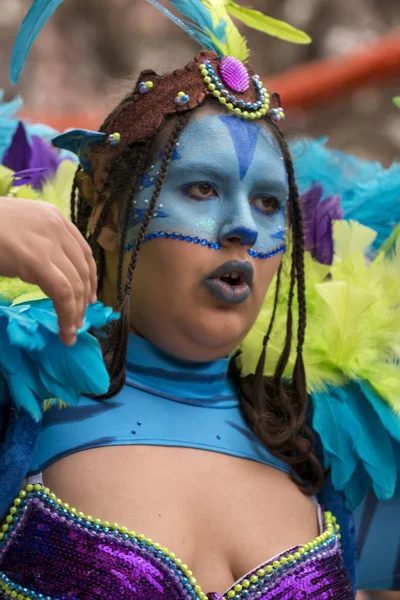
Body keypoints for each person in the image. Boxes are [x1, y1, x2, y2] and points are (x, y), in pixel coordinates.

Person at [0, 1, 399, 598]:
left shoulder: (334, 446)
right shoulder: (21, 395)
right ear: (107, 219)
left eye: (268, 204)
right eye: (203, 188)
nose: (240, 227)